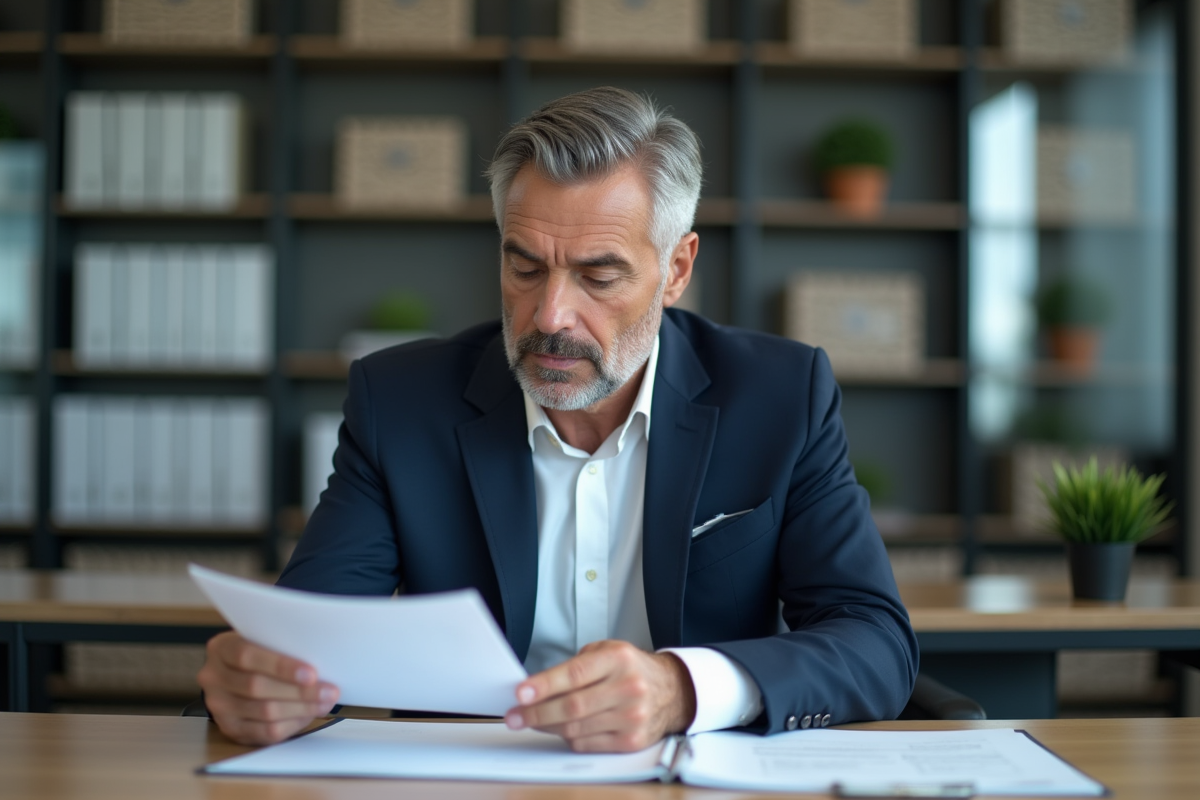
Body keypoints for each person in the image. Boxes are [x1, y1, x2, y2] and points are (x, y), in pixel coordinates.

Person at [198, 86, 918, 752]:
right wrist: (265, 684)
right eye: (525, 267)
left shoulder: (780, 396)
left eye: (598, 277)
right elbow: (311, 636)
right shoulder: (401, 402)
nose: (550, 317)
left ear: (676, 269)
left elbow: (875, 642)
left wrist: (682, 689)